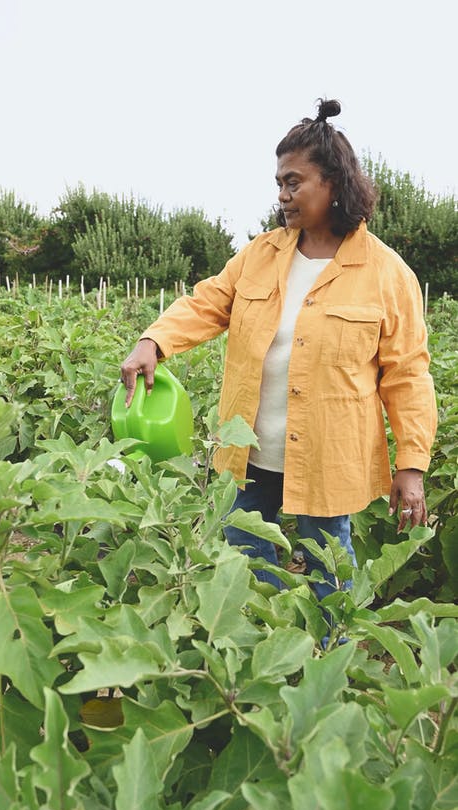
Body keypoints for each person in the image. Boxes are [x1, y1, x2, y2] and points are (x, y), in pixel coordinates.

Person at [120, 98, 437, 600]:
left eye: (295, 182)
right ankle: (270, 645)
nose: (284, 195)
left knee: (328, 562)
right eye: (279, 184)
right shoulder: (261, 253)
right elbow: (208, 302)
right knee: (243, 550)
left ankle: (326, 655)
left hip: (328, 455)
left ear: (333, 183)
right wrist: (152, 340)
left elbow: (408, 375)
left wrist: (411, 466)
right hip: (249, 447)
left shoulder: (387, 273)